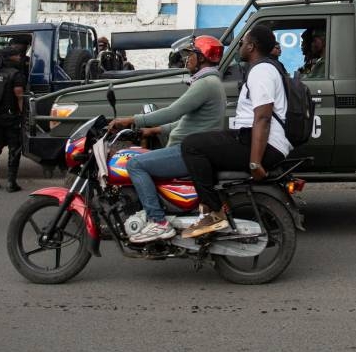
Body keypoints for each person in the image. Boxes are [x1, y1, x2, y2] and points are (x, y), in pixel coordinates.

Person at [108, 36, 226, 243]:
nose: (187, 59)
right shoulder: (210, 82)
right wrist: (154, 130)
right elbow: (187, 121)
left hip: (187, 152)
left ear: (203, 58)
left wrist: (132, 120)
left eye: (191, 55)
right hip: (191, 149)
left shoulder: (206, 84)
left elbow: (173, 112)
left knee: (135, 164)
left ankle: (158, 222)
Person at [179, 23, 292, 238]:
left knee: (192, 145)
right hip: (256, 140)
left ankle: (213, 213)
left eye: (242, 42)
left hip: (262, 144)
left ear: (252, 46)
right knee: (205, 144)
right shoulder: (265, 68)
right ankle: (213, 206)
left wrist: (255, 162)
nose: (239, 45)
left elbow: (263, 117)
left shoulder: (262, 71)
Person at [0, 46, 27, 192]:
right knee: (14, 149)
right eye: (16, 55)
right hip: (12, 118)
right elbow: (19, 96)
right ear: (9, 58)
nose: (20, 56)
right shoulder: (15, 74)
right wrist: (23, 115)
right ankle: (11, 183)